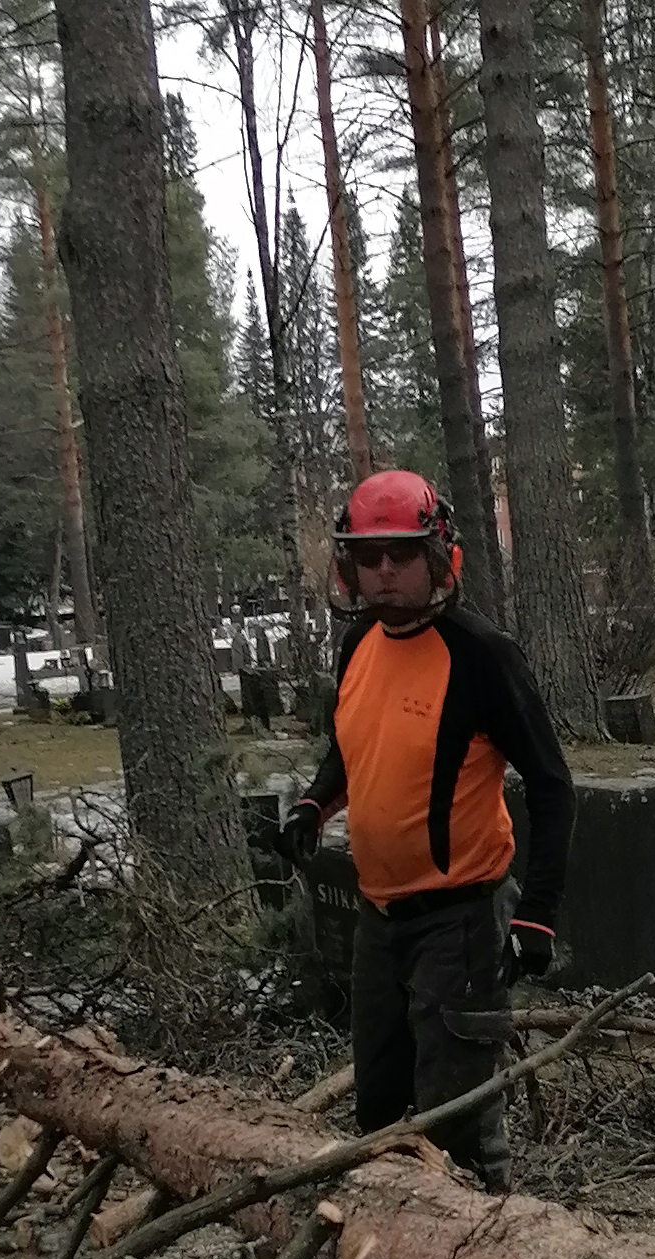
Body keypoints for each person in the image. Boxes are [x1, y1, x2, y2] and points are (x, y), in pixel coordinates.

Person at [278, 469, 573, 1193]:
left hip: (463, 919)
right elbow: (355, 744)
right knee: (379, 1110)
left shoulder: (480, 656)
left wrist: (535, 915)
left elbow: (553, 784)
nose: (384, 573)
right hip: (379, 917)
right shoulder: (357, 648)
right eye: (368, 558)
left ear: (438, 555)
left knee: (458, 1122)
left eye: (400, 555)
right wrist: (316, 804)